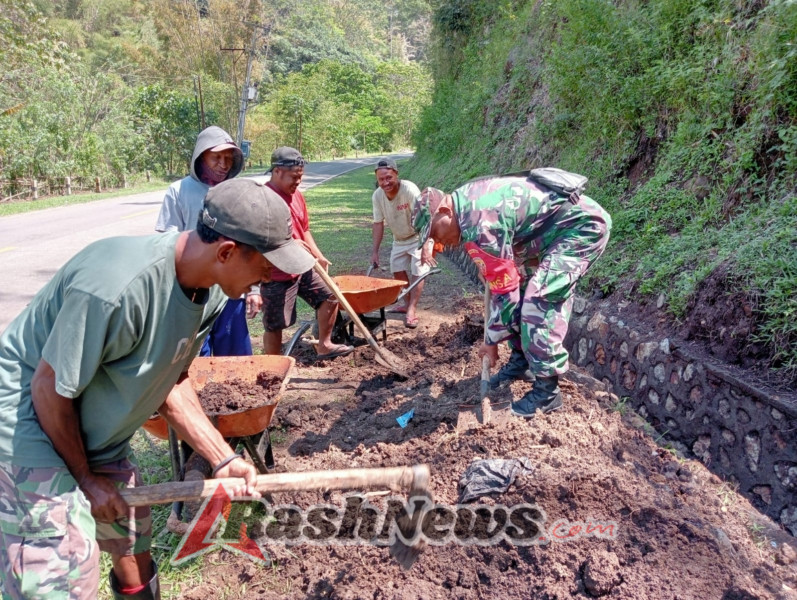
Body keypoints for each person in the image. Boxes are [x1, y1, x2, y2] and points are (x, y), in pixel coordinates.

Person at [0, 178, 315, 599]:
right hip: (28, 423)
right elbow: (48, 388)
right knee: (62, 573)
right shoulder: (116, 288)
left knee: (131, 544)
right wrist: (88, 481)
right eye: (265, 265)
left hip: (85, 417)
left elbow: (172, 379)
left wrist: (222, 458)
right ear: (226, 252)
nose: (268, 276)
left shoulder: (212, 293)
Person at [412, 172, 611, 418]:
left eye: (433, 233)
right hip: (543, 234)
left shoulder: (480, 222)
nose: (436, 241)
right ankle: (522, 363)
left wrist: (491, 342)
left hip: (579, 229)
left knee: (538, 301)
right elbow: (504, 281)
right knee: (523, 287)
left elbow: (506, 294)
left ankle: (547, 393)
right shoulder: (466, 209)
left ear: (445, 212)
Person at [155, 125, 261, 357]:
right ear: (200, 157)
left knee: (234, 360)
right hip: (193, 291)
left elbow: (248, 245)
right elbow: (167, 244)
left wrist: (253, 288)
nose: (223, 164)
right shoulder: (179, 191)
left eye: (228, 158)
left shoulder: (238, 192)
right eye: (216, 157)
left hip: (230, 289)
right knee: (192, 357)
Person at [260, 147, 354, 360]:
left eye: (301, 177)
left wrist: (317, 254)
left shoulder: (297, 197)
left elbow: (305, 229)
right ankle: (272, 365)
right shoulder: (264, 199)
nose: (298, 182)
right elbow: (259, 238)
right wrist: (291, 244)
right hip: (277, 271)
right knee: (275, 324)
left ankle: (325, 344)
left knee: (329, 295)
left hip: (303, 264)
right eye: (294, 177)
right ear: (277, 172)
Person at [370, 158, 429, 329]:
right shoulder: (378, 196)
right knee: (397, 270)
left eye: (389, 177)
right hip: (399, 239)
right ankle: (406, 303)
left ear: (396, 174)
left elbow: (425, 217)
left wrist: (425, 245)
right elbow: (378, 223)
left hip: (417, 236)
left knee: (418, 270)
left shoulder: (409, 189)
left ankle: (411, 309)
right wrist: (375, 252)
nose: (385, 182)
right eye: (381, 179)